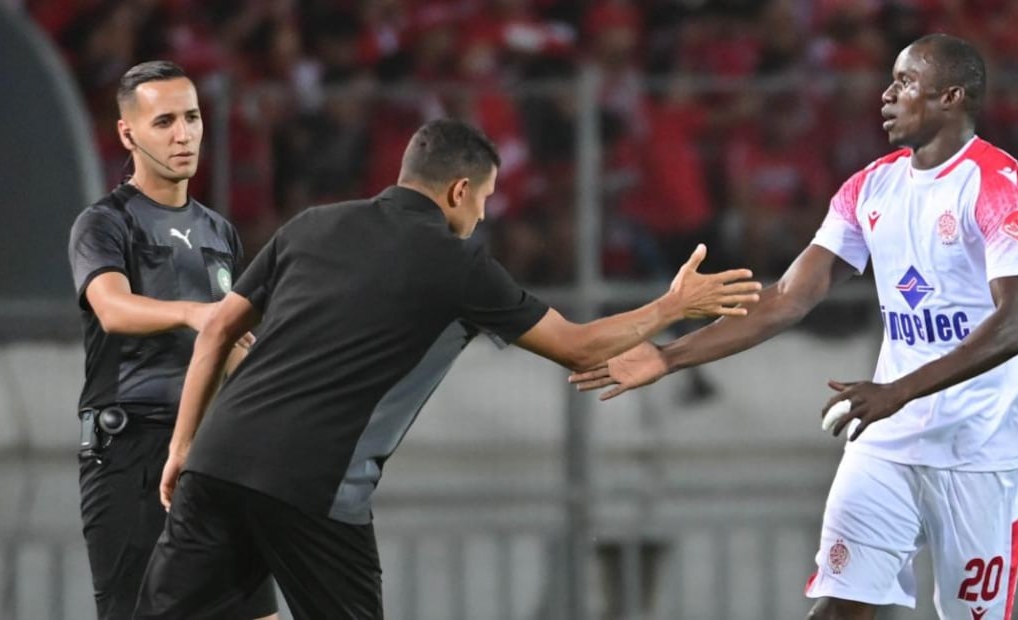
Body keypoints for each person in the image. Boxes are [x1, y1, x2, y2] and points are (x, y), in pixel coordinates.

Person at [132, 118, 762, 619]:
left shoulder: (312, 226)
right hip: (314, 484)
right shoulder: (457, 264)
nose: (482, 215)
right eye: (484, 199)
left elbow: (216, 329)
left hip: (215, 460)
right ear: (460, 191)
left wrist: (182, 446)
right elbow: (577, 346)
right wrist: (671, 307)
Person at [571, 34, 1018, 620]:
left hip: (981, 449)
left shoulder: (1000, 187)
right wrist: (669, 357)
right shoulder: (871, 187)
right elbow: (787, 299)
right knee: (839, 606)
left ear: (950, 96)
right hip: (887, 442)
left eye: (904, 82)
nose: (886, 95)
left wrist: (898, 390)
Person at [67, 60, 278, 620]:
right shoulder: (104, 223)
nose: (183, 135)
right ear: (127, 133)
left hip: (213, 452)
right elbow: (111, 308)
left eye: (192, 117)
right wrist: (194, 314)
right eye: (163, 122)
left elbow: (229, 341)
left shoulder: (218, 230)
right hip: (133, 452)